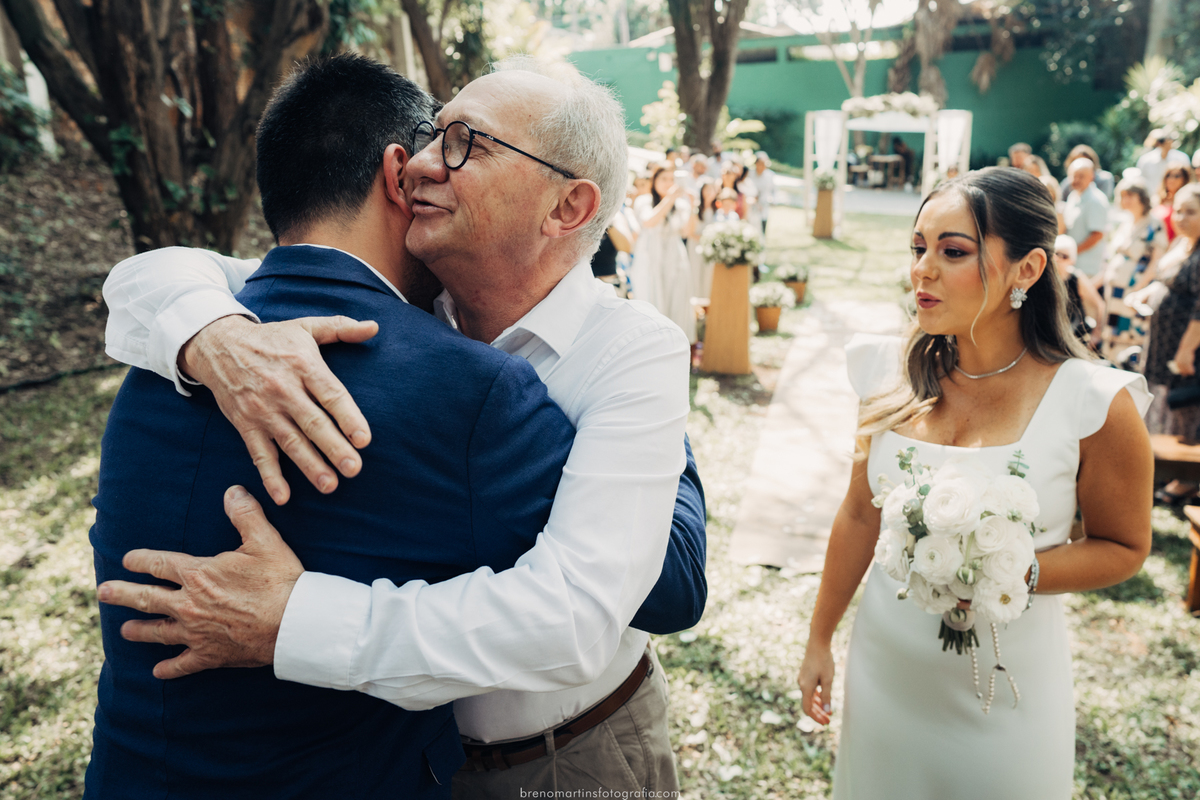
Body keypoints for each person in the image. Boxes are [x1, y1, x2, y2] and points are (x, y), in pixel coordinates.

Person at [97, 57, 706, 798]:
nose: (418, 164)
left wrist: (293, 619)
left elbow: (600, 609)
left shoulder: (631, 349)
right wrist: (213, 335)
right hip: (424, 756)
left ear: (567, 208)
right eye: (428, 137)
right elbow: (162, 274)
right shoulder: (410, 304)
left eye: (463, 142)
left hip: (571, 751)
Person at [795, 167, 1152, 800]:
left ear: (1028, 269)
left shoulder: (1093, 403)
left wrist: (1015, 573)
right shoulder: (887, 371)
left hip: (1007, 695)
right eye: (918, 248)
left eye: (952, 251)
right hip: (886, 673)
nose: (922, 270)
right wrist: (820, 637)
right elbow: (858, 515)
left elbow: (1125, 547)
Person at [1134, 184, 1200, 501]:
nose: (1181, 217)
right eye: (1179, 210)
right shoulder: (1181, 246)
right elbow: (1164, 282)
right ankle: (1168, 472)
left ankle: (1187, 478)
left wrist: (1187, 349)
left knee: (1187, 407)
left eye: (1191, 211)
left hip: (1187, 348)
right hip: (1163, 343)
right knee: (1169, 404)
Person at [1099, 178, 1163, 363]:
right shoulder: (1125, 223)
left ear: (1142, 197)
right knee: (1112, 330)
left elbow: (1156, 261)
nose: (1126, 200)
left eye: (1130, 195)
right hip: (1115, 290)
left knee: (1130, 332)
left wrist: (1138, 288)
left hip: (1134, 290)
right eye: (1123, 196)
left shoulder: (1154, 224)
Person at [631, 164, 697, 343]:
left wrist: (694, 205)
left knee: (676, 299)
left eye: (672, 179)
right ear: (654, 181)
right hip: (650, 256)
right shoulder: (643, 200)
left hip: (674, 257)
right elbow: (649, 222)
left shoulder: (681, 204)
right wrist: (670, 198)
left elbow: (686, 231)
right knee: (651, 298)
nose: (669, 183)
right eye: (664, 179)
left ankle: (675, 343)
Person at [1063, 158, 1110, 281]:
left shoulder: (1096, 200)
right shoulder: (1073, 196)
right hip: (1072, 266)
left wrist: (1072, 252)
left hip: (1087, 269)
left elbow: (1097, 235)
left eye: (1081, 176)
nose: (1076, 180)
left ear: (1092, 177)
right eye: (1073, 176)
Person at [1054, 234, 1104, 349]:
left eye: (1065, 256)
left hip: (1075, 336)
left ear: (1072, 260)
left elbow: (1100, 305)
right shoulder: (1045, 278)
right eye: (1056, 254)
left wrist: (1096, 335)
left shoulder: (1076, 278)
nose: (1059, 259)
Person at [1136, 129, 1190, 196]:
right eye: (1162, 140)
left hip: (1178, 197)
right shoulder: (1145, 160)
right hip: (1151, 198)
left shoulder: (1182, 158)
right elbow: (1141, 182)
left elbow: (1188, 180)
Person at [690, 178, 719, 299]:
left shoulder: (717, 209)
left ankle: (707, 301)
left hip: (711, 247)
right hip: (695, 245)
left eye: (711, 190)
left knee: (708, 274)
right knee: (695, 272)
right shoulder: (696, 207)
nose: (709, 192)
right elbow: (690, 230)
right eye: (706, 189)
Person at [1155, 162, 1194, 244]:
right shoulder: (1158, 200)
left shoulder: (1190, 202)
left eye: (1177, 176)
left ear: (1185, 179)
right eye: (1168, 175)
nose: (1172, 179)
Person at [751, 151, 776, 236]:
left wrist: (772, 200)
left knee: (762, 224)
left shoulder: (770, 175)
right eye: (760, 164)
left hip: (764, 205)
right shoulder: (750, 174)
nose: (762, 166)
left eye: (764, 164)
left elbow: (774, 190)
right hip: (751, 205)